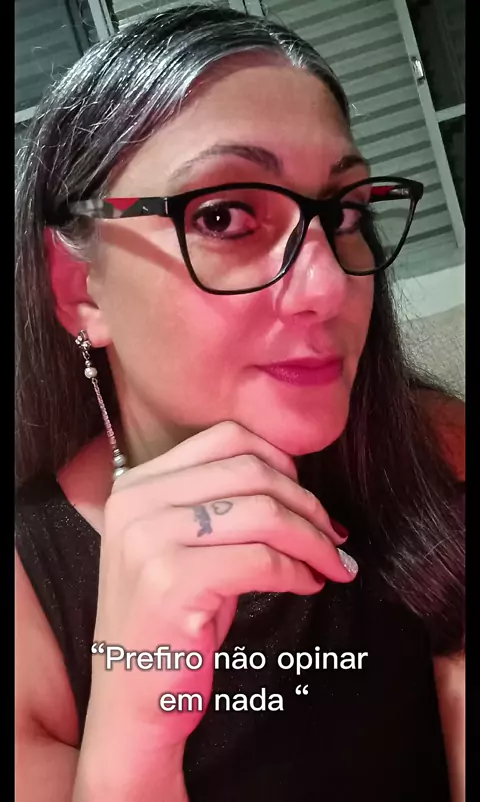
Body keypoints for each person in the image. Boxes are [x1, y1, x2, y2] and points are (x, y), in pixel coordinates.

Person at [14, 5, 465, 801]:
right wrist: (136, 729)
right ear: (81, 288)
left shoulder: (438, 456)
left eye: (344, 213)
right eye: (223, 216)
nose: (329, 287)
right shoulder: (29, 607)